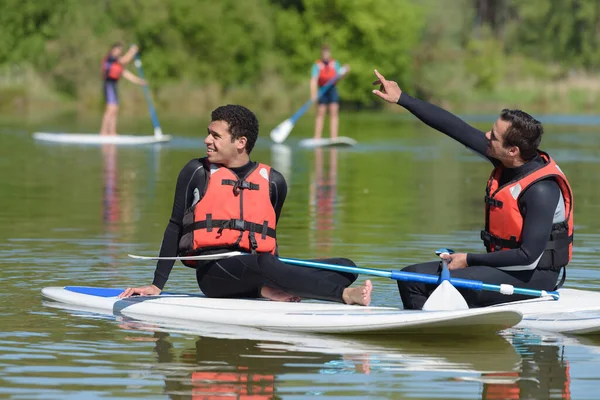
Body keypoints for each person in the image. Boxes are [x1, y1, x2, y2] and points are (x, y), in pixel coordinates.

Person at [119, 105, 372, 305]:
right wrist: (157, 284)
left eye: (216, 135)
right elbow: (175, 225)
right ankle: (344, 295)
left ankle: (267, 288)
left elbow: (270, 238)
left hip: (260, 266)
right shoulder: (196, 171)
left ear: (240, 142)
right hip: (215, 274)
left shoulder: (273, 182)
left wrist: (278, 274)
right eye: (209, 132)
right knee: (265, 264)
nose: (207, 140)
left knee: (345, 266)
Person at [371, 69, 574, 309]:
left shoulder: (542, 189)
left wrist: (468, 260)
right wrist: (402, 98)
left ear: (513, 150)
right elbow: (454, 127)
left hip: (534, 277)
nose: (486, 136)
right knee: (410, 277)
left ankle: (430, 333)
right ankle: (426, 336)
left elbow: (528, 259)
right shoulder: (504, 159)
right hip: (503, 268)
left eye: (494, 136)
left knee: (422, 284)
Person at [99, 42, 146, 136]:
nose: (119, 52)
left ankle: (112, 132)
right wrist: (132, 51)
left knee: (115, 108)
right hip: (108, 85)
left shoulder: (117, 64)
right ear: (113, 50)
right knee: (110, 109)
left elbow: (126, 74)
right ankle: (103, 132)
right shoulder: (111, 58)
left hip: (114, 86)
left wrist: (139, 81)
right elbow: (125, 60)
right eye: (118, 50)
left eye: (120, 50)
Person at [310, 45, 349, 140]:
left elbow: (340, 77)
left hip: (332, 89)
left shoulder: (335, 63)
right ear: (321, 54)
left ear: (329, 53)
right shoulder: (317, 65)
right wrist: (313, 94)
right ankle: (317, 137)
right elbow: (313, 80)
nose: (325, 55)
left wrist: (345, 72)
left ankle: (334, 137)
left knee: (334, 112)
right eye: (324, 53)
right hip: (322, 89)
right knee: (320, 113)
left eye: (327, 53)